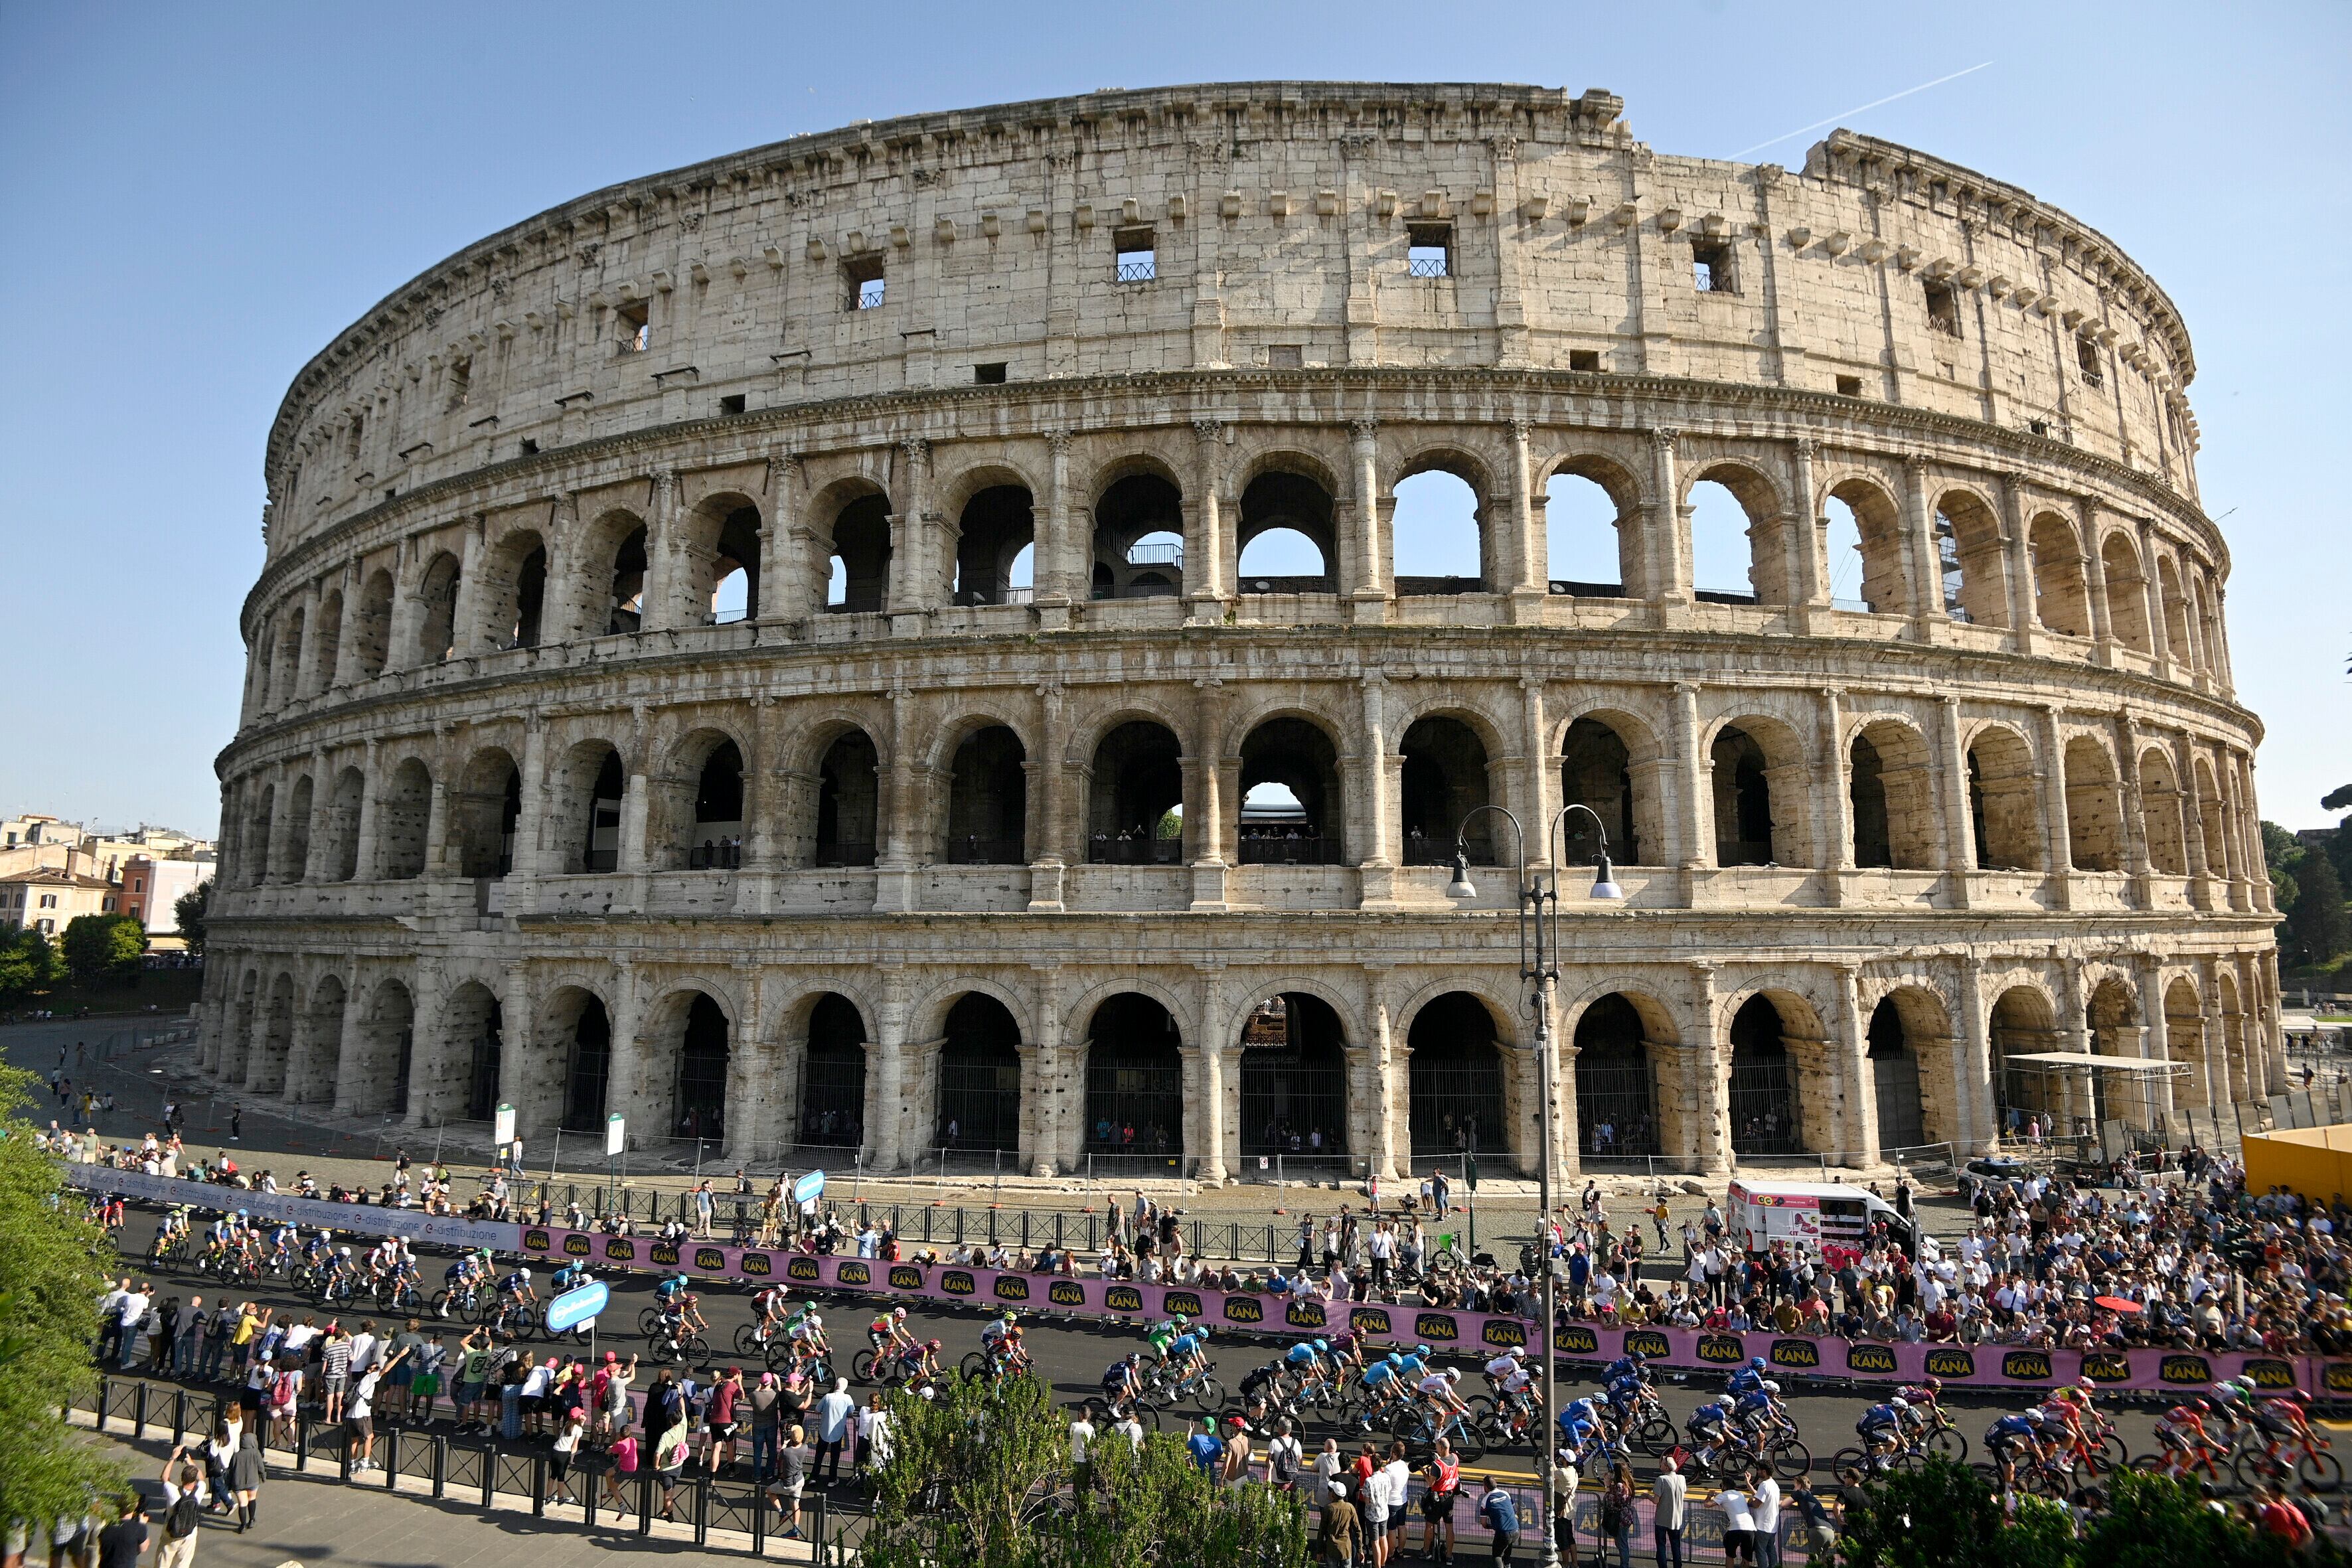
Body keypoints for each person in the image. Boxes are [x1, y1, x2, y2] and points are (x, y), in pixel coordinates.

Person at [813, 1377, 856, 1484]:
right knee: (835, 1457)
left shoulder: (827, 1397)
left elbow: (817, 1410)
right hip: (838, 1431)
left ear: (836, 1385)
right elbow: (851, 1413)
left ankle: (814, 1477)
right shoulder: (847, 1398)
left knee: (819, 1455)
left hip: (824, 1430)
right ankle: (832, 1479)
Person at [1653, 1454, 1687, 1568]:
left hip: (1662, 1519)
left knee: (1661, 1546)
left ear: (1667, 1468)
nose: (1660, 1466)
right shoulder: (1682, 1478)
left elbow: (1656, 1500)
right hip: (1676, 1519)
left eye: (1662, 1464)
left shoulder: (1661, 1479)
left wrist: (1647, 1496)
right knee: (1676, 1546)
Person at [1600, 1463, 1636, 1568]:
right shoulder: (1627, 1483)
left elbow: (1611, 1501)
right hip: (1625, 1517)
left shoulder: (1620, 1486)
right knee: (1620, 1542)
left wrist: (1607, 1486)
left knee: (1622, 1543)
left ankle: (1624, 1565)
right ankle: (1624, 1563)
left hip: (1620, 1518)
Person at [1320, 1479, 1364, 1567]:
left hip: (1332, 1549)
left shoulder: (1328, 1509)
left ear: (1333, 1494)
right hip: (1346, 1549)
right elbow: (1358, 1531)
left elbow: (1321, 1531)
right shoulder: (1350, 1508)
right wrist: (1360, 1550)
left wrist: (1319, 1551)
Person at [94, 1499, 146, 1568]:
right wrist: (143, 1524)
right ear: (133, 1509)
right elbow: (143, 1548)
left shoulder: (105, 1526)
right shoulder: (139, 1528)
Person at [1480, 1479, 1520, 1565]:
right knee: (1508, 1544)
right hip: (1516, 1530)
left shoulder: (1485, 1500)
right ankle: (1507, 1564)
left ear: (1486, 1487)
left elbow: (1484, 1523)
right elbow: (1515, 1510)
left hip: (1504, 1533)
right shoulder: (1505, 1493)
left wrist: (1492, 1525)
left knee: (1497, 1555)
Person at [1748, 1467, 1782, 1568]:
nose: (1757, 1472)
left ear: (1764, 1471)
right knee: (1771, 1550)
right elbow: (1759, 1495)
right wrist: (1748, 1483)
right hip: (1773, 1525)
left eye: (1758, 1470)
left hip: (1763, 1525)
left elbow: (1757, 1504)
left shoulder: (1764, 1485)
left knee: (1760, 1551)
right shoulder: (1774, 1485)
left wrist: (1751, 1502)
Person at [1715, 1479, 1755, 1567]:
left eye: (1721, 1486)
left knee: (1730, 1555)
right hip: (1750, 1528)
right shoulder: (1741, 1494)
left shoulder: (1723, 1495)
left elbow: (1707, 1504)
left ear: (1725, 1487)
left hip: (1735, 1528)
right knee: (1746, 1558)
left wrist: (1709, 1496)